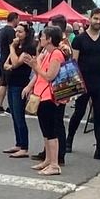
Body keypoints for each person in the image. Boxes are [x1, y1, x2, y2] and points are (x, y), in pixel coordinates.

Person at [66, 8, 100, 164]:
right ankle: (69, 140)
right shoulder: (79, 39)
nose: (98, 21)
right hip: (83, 81)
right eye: (95, 18)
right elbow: (73, 62)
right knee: (79, 112)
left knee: (99, 115)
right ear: (90, 19)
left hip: (99, 82)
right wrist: (73, 85)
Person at [27, 24, 69, 176]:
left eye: (43, 37)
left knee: (51, 131)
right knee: (46, 130)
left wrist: (35, 67)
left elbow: (50, 76)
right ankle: (48, 159)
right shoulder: (48, 53)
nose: (40, 39)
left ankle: (54, 163)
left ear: (50, 39)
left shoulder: (56, 54)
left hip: (50, 96)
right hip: (42, 95)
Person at [1, 23, 35, 159]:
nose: (17, 34)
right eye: (16, 32)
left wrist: (11, 47)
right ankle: (18, 143)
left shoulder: (29, 48)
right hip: (11, 82)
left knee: (20, 115)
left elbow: (15, 63)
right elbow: (6, 64)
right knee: (14, 115)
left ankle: (24, 146)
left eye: (20, 32)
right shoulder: (17, 47)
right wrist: (12, 56)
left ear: (26, 33)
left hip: (20, 84)